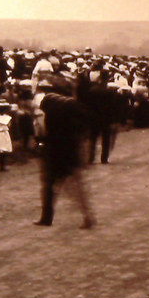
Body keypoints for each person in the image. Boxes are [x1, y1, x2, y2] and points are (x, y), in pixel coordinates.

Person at [34, 81, 94, 228]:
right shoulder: (76, 107)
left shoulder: (49, 102)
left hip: (52, 149)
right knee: (76, 187)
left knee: (48, 186)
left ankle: (46, 217)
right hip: (70, 149)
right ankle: (87, 216)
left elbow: (41, 127)